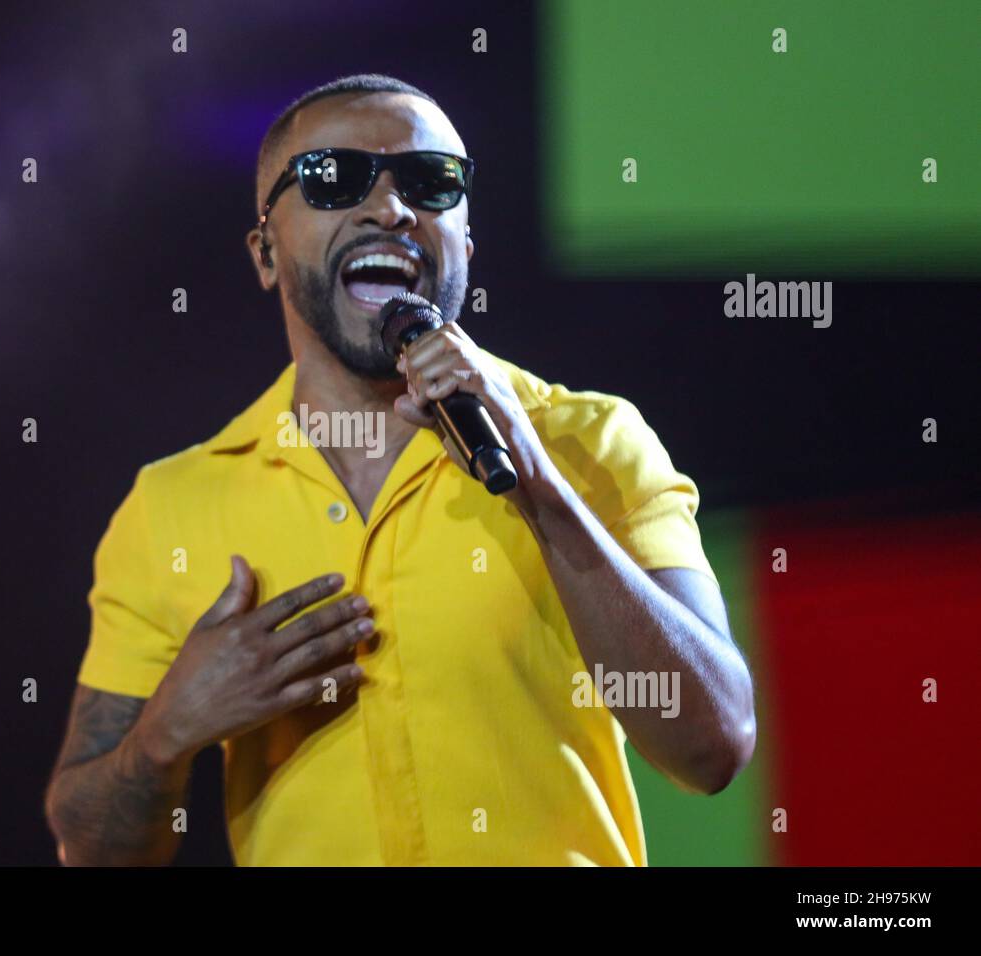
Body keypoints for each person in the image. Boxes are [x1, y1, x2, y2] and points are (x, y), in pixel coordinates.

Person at [44, 73, 756, 866]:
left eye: (430, 183)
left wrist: (541, 487)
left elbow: (712, 747)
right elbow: (92, 848)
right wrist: (163, 735)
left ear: (466, 248)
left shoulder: (591, 440)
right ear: (266, 254)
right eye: (333, 179)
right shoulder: (172, 505)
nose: (389, 208)